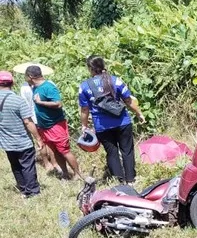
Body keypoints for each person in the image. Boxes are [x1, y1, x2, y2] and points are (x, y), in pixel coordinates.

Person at [79, 56, 145, 185]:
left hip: (102, 126)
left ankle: (119, 181)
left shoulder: (84, 86)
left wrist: (84, 125)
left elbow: (84, 109)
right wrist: (139, 113)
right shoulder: (116, 81)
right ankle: (131, 179)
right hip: (122, 122)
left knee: (112, 152)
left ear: (90, 69)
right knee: (127, 150)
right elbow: (128, 100)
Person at [25, 64, 87, 182]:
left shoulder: (48, 87)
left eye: (26, 77)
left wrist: (41, 102)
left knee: (64, 150)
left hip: (56, 125)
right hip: (44, 126)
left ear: (30, 76)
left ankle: (78, 174)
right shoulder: (35, 87)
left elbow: (58, 103)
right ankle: (64, 173)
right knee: (54, 151)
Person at [0, 70, 43, 197]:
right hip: (22, 140)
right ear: (12, 83)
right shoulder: (18, 100)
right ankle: (33, 192)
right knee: (27, 166)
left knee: (15, 166)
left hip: (6, 142)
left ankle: (23, 189)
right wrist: (38, 138)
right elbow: (28, 122)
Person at [19, 73, 58, 173]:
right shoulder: (49, 83)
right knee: (50, 141)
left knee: (40, 140)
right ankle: (54, 163)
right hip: (48, 117)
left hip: (33, 118)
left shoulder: (24, 87)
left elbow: (24, 103)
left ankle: (46, 163)